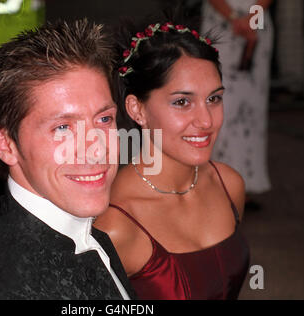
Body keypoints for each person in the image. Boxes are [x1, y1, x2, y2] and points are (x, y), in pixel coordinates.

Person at [0, 19, 136, 300]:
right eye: (62, 128)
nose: (96, 149)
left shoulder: (65, 220)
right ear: (5, 144)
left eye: (104, 119)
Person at [94, 10, 250, 300]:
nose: (206, 120)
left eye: (214, 99)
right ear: (136, 109)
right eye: (182, 102)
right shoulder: (115, 224)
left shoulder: (229, 185)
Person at [201, 0, 274, 206]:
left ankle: (244, 184)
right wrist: (234, 18)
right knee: (219, 104)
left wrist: (252, 18)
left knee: (252, 108)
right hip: (221, 22)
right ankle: (215, 184)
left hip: (256, 21)